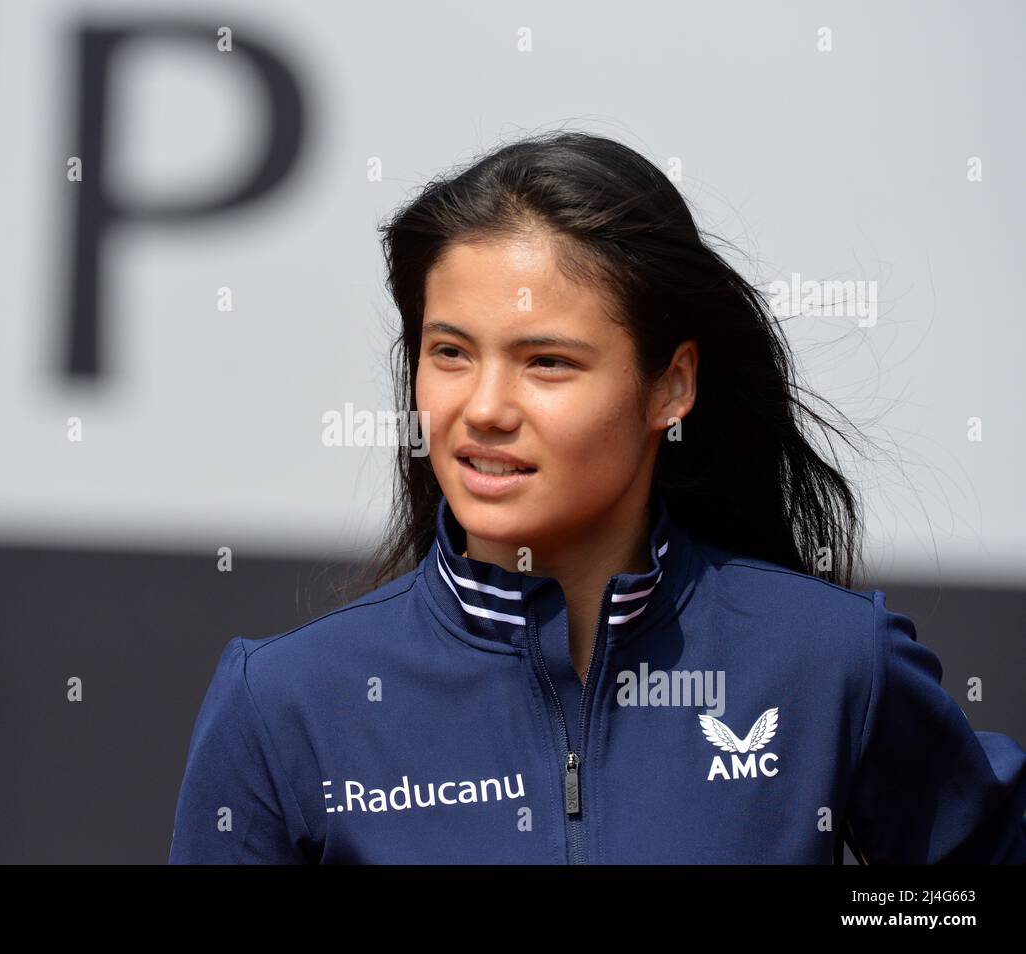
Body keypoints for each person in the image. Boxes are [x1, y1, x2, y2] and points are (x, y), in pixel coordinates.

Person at [168, 131, 1026, 864]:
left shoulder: (831, 663)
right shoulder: (283, 701)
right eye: (451, 353)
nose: (484, 409)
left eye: (547, 362)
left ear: (670, 387)